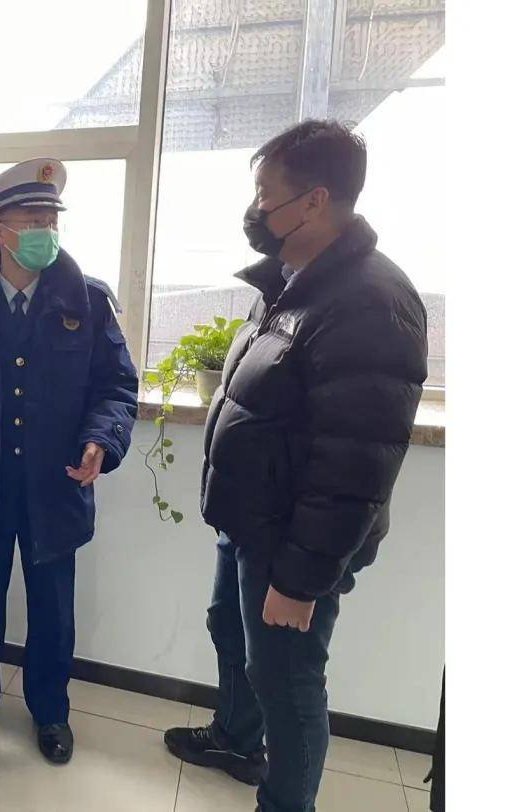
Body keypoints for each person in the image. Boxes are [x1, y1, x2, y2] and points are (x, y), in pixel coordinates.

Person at [163, 120, 428, 812]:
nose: (255, 209)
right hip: (252, 521)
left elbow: (355, 466)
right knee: (231, 633)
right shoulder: (292, 280)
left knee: (287, 681)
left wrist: (300, 581)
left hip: (292, 542)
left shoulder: (371, 301)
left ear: (314, 201)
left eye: (264, 194)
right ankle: (235, 739)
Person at [0, 158, 139, 765]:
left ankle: (50, 711)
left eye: (51, 220)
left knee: (53, 610)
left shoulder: (88, 302)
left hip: (55, 484)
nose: (45, 231)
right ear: (0, 231)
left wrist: (102, 440)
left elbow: (117, 387)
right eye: (32, 220)